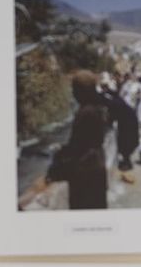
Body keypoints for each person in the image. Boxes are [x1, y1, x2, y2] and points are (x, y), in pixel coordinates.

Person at [35, 70, 110, 210]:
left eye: (75, 89)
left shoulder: (86, 112)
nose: (73, 93)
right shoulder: (99, 108)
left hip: (86, 170)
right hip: (97, 165)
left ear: (81, 91)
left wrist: (55, 168)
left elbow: (78, 148)